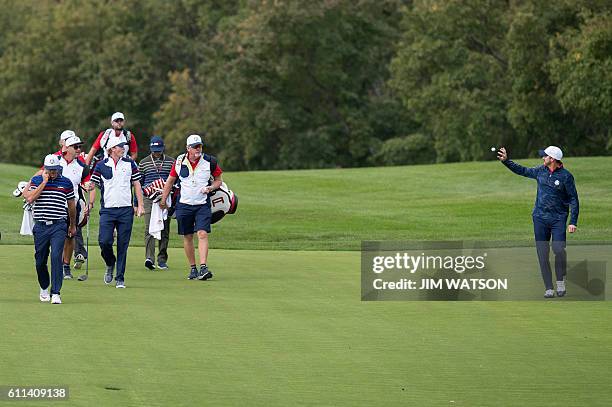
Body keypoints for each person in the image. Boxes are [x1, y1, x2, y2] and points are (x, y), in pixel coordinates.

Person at [498, 146, 579, 298]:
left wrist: (572, 221)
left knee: (559, 249)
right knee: (543, 253)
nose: (543, 158)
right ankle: (549, 288)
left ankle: (560, 281)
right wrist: (506, 161)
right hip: (540, 218)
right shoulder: (540, 171)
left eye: (545, 156)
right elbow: (522, 170)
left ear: (553, 159)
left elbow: (573, 199)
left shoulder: (566, 177)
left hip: (558, 219)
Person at [159, 134, 223, 280]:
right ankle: (193, 268)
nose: (198, 149)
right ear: (188, 148)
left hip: (202, 204)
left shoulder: (209, 161)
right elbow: (170, 182)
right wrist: (163, 200)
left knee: (202, 233)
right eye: (195, 147)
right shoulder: (179, 161)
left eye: (199, 146)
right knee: (188, 236)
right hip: (184, 204)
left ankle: (203, 267)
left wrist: (211, 188)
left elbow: (219, 180)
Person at [90, 137, 145, 288]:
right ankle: (110, 263)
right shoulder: (101, 165)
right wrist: (89, 188)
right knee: (104, 241)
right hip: (107, 210)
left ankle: (120, 278)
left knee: (123, 244)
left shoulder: (130, 164)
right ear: (112, 148)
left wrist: (140, 205)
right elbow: (92, 184)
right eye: (120, 146)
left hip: (126, 210)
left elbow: (137, 185)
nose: (123, 148)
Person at [23, 154, 77, 304]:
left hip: (59, 225)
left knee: (56, 257)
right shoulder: (37, 180)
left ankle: (56, 292)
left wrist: (72, 225)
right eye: (50, 170)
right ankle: (44, 287)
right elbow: (30, 198)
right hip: (40, 226)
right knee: (40, 260)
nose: (53, 173)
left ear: (59, 169)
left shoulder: (66, 183)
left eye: (55, 170)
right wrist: (44, 181)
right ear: (45, 169)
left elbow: (71, 206)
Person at [57, 135, 92, 279]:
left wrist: (88, 187)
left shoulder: (82, 167)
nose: (79, 149)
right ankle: (57, 264)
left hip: (73, 206)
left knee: (71, 235)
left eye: (80, 147)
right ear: (68, 148)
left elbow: (86, 183)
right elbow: (41, 175)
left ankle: (66, 266)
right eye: (76, 147)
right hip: (56, 206)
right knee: (58, 237)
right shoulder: (56, 162)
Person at [139, 136, 175, 270]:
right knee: (149, 228)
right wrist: (137, 203)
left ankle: (162, 259)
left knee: (165, 228)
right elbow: (139, 183)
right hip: (149, 198)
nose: (157, 153)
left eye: (159, 150)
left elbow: (175, 181)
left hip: (166, 198)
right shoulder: (143, 162)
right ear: (150, 149)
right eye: (155, 150)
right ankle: (149, 258)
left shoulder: (171, 162)